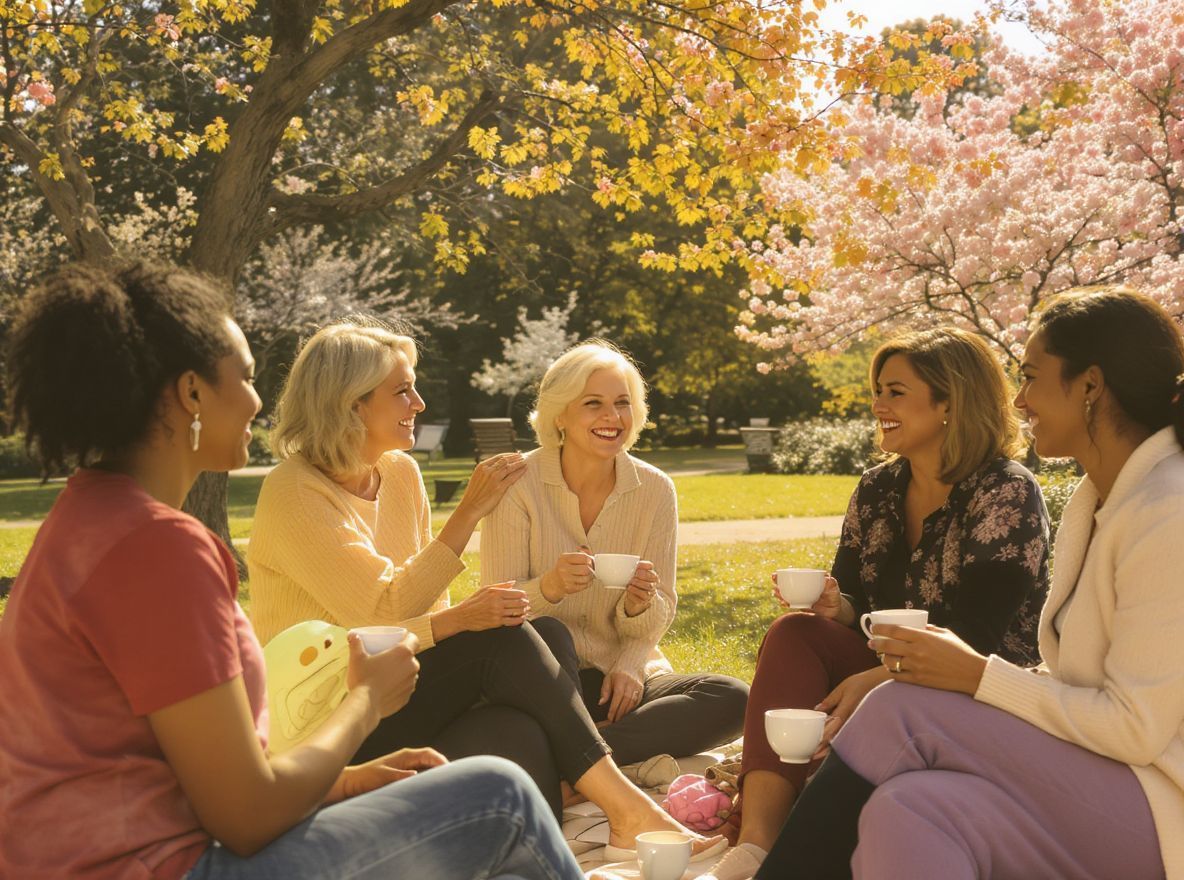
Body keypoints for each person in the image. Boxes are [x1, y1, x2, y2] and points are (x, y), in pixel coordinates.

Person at [0, 262, 582, 880]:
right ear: (192, 394)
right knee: (500, 797)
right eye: (248, 377)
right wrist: (365, 702)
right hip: (165, 867)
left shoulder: (83, 520)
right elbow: (246, 817)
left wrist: (346, 781)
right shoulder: (159, 550)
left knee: (494, 757)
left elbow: (194, 772)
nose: (260, 402)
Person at [248, 318, 724, 857]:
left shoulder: (398, 473)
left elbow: (429, 605)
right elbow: (380, 612)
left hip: (399, 689)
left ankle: (562, 819)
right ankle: (625, 810)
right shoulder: (294, 493)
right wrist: (469, 517)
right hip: (331, 720)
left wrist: (466, 634)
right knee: (510, 638)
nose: (419, 403)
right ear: (352, 404)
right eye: (402, 391)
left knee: (523, 711)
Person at [759, 286, 1184, 880]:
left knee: (901, 708)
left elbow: (1135, 729)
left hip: (1159, 807)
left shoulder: (1167, 510)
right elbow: (1078, 681)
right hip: (1098, 775)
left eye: (1031, 377)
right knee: (907, 811)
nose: (1020, 398)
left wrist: (978, 676)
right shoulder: (1100, 498)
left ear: (1090, 385)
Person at [700, 327, 1050, 880]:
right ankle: (757, 844)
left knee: (882, 687)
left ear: (949, 403)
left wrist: (878, 679)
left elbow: (979, 635)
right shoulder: (877, 488)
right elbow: (856, 600)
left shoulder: (1005, 490)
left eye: (895, 393)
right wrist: (836, 606)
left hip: (980, 683)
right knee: (793, 633)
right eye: (878, 391)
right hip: (886, 666)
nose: (878, 405)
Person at [481, 340, 749, 766]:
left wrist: (633, 652)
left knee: (733, 697)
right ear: (560, 414)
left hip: (615, 679)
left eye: (622, 403)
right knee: (548, 635)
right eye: (593, 403)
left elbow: (663, 605)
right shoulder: (518, 483)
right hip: (542, 679)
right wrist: (549, 587)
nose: (613, 417)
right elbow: (495, 609)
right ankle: (592, 753)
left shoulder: (655, 489)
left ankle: (579, 755)